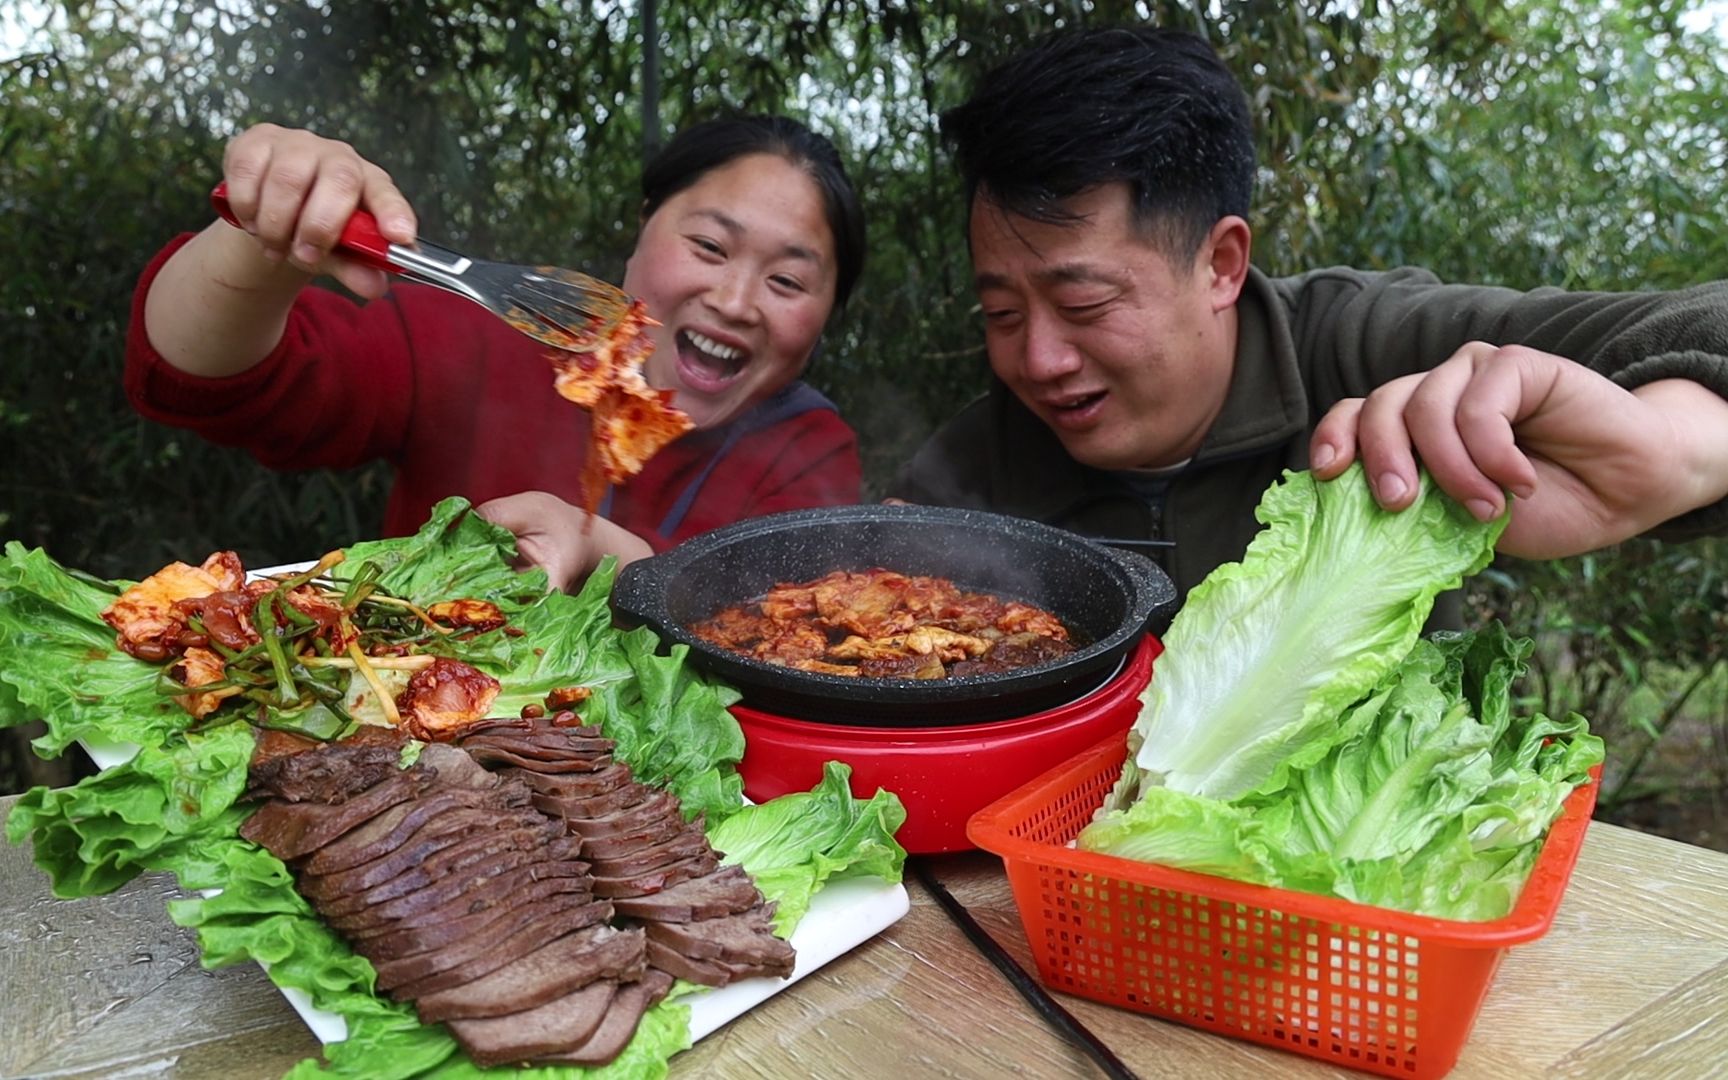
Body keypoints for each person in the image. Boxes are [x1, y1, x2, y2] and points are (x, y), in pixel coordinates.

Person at [893, 25, 1728, 619]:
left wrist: (1675, 450)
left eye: (1085, 305)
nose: (1038, 359)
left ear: (1221, 264)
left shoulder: (1367, 345)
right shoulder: (968, 472)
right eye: (1000, 312)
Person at [126, 114, 867, 589]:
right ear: (645, 224)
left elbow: (777, 629)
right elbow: (205, 378)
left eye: (787, 280)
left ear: (829, 311)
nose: (736, 302)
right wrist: (269, 233)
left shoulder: (810, 452)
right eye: (709, 246)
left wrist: (611, 558)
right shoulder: (483, 335)